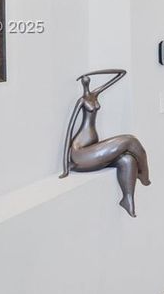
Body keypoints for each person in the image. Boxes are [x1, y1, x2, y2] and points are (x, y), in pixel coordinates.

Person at [62, 70, 151, 218]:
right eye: (84, 80)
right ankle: (144, 176)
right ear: (82, 83)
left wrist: (97, 72)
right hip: (81, 153)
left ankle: (127, 199)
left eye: (88, 79)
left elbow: (121, 73)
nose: (87, 81)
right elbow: (69, 130)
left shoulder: (94, 94)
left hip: (93, 148)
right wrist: (66, 167)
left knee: (128, 160)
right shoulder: (82, 101)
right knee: (130, 140)